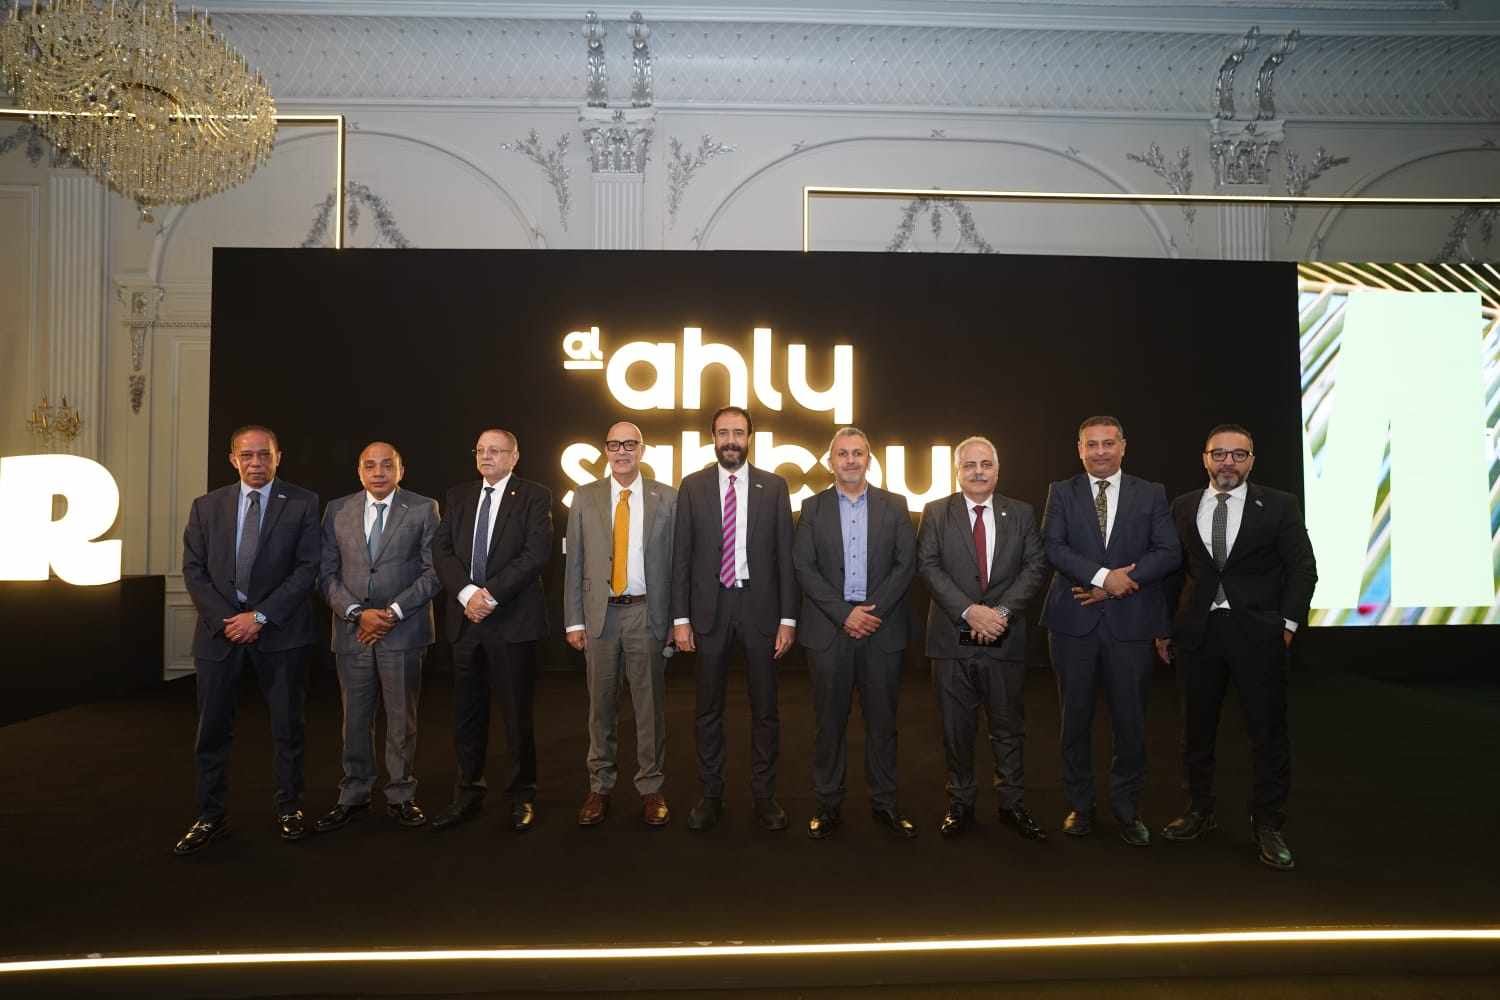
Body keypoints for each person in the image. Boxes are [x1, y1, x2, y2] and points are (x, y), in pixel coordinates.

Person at [1156, 423, 1317, 870]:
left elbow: (1302, 568)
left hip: (1259, 635)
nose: (1228, 462)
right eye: (1219, 454)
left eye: (1238, 455)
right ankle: (1199, 810)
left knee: (1267, 733)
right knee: (1195, 731)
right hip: (1197, 634)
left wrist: (1287, 624)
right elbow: (1172, 572)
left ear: (1251, 461)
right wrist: (1163, 628)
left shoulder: (1280, 505)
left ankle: (1268, 824)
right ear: (1205, 458)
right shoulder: (1183, 505)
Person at [175, 425, 320, 855]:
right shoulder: (206, 506)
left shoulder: (303, 503)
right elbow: (194, 570)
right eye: (247, 455)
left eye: (264, 455)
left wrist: (259, 616)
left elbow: (307, 568)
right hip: (220, 633)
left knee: (288, 727)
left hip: (280, 632)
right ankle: (209, 816)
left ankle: (290, 809)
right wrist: (228, 620)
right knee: (212, 730)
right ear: (233, 459)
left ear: (278, 457)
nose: (256, 463)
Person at [1040, 416, 1180, 845]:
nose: (1100, 451)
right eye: (1091, 444)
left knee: (1130, 723)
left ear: (1123, 446)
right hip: (1073, 623)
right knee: (1074, 720)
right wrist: (1103, 577)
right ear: (1079, 449)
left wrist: (1121, 583)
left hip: (1131, 623)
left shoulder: (1150, 493)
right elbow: (1052, 547)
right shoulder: (1061, 492)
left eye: (1108, 443)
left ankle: (1127, 810)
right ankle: (1080, 806)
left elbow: (1169, 552)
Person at [671, 406, 799, 832]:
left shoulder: (774, 486)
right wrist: (681, 618)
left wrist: (788, 618)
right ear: (713, 438)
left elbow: (785, 557)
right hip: (709, 611)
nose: (731, 440)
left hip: (760, 609)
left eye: (738, 433)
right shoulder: (692, 487)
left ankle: (764, 796)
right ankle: (711, 795)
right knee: (707, 709)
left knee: (765, 709)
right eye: (723, 433)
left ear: (749, 438)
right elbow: (681, 557)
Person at [917, 436, 1048, 839]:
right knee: (956, 729)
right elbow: (928, 565)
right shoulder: (936, 512)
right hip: (950, 640)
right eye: (969, 465)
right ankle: (960, 803)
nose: (978, 472)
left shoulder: (1021, 513)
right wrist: (969, 611)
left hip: (1003, 638)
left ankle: (1012, 804)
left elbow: (1035, 567)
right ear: (957, 471)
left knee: (1008, 727)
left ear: (997, 469)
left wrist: (1000, 614)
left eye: (986, 464)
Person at [793, 427, 918, 839]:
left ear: (869, 459)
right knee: (829, 723)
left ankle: (885, 804)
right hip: (830, 630)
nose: (850, 460)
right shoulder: (811, 508)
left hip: (882, 629)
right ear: (831, 462)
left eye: (858, 453)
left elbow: (906, 564)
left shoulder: (895, 505)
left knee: (883, 723)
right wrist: (845, 615)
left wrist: (869, 614)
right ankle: (828, 803)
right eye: (842, 454)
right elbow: (804, 567)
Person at [313, 441, 442, 833]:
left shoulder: (424, 508)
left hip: (403, 629)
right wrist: (356, 613)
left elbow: (435, 571)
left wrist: (393, 612)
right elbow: (325, 573)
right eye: (370, 465)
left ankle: (401, 794)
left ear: (401, 470)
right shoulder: (337, 510)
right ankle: (354, 794)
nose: (379, 472)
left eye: (387, 465)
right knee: (354, 718)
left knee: (402, 718)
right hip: (352, 631)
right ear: (359, 471)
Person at [431, 429, 553, 833]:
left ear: (514, 457)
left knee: (516, 714)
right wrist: (468, 594)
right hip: (466, 621)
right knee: (467, 714)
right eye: (481, 450)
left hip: (511, 621)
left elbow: (536, 554)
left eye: (496, 451)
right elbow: (441, 550)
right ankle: (467, 792)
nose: (486, 457)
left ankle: (522, 795)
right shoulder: (459, 495)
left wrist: (490, 595)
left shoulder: (534, 496)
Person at [563, 421, 678, 828]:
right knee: (601, 707)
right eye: (614, 444)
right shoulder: (584, 496)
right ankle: (600, 787)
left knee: (649, 708)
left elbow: (678, 565)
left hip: (648, 613)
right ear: (606, 450)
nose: (622, 451)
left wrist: (676, 619)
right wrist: (573, 620)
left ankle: (651, 787)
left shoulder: (667, 497)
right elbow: (574, 562)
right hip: (600, 615)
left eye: (630, 444)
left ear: (642, 450)